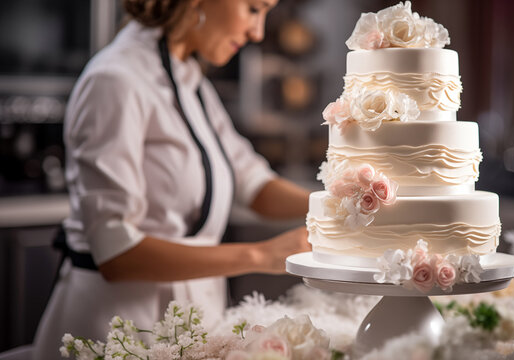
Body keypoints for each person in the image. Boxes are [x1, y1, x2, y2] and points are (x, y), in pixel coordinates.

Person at [32, 0, 311, 358]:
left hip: (190, 323)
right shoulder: (115, 79)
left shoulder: (191, 81)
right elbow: (117, 254)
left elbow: (252, 183)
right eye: (253, 8)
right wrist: (261, 255)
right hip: (117, 325)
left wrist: (336, 207)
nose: (257, 32)